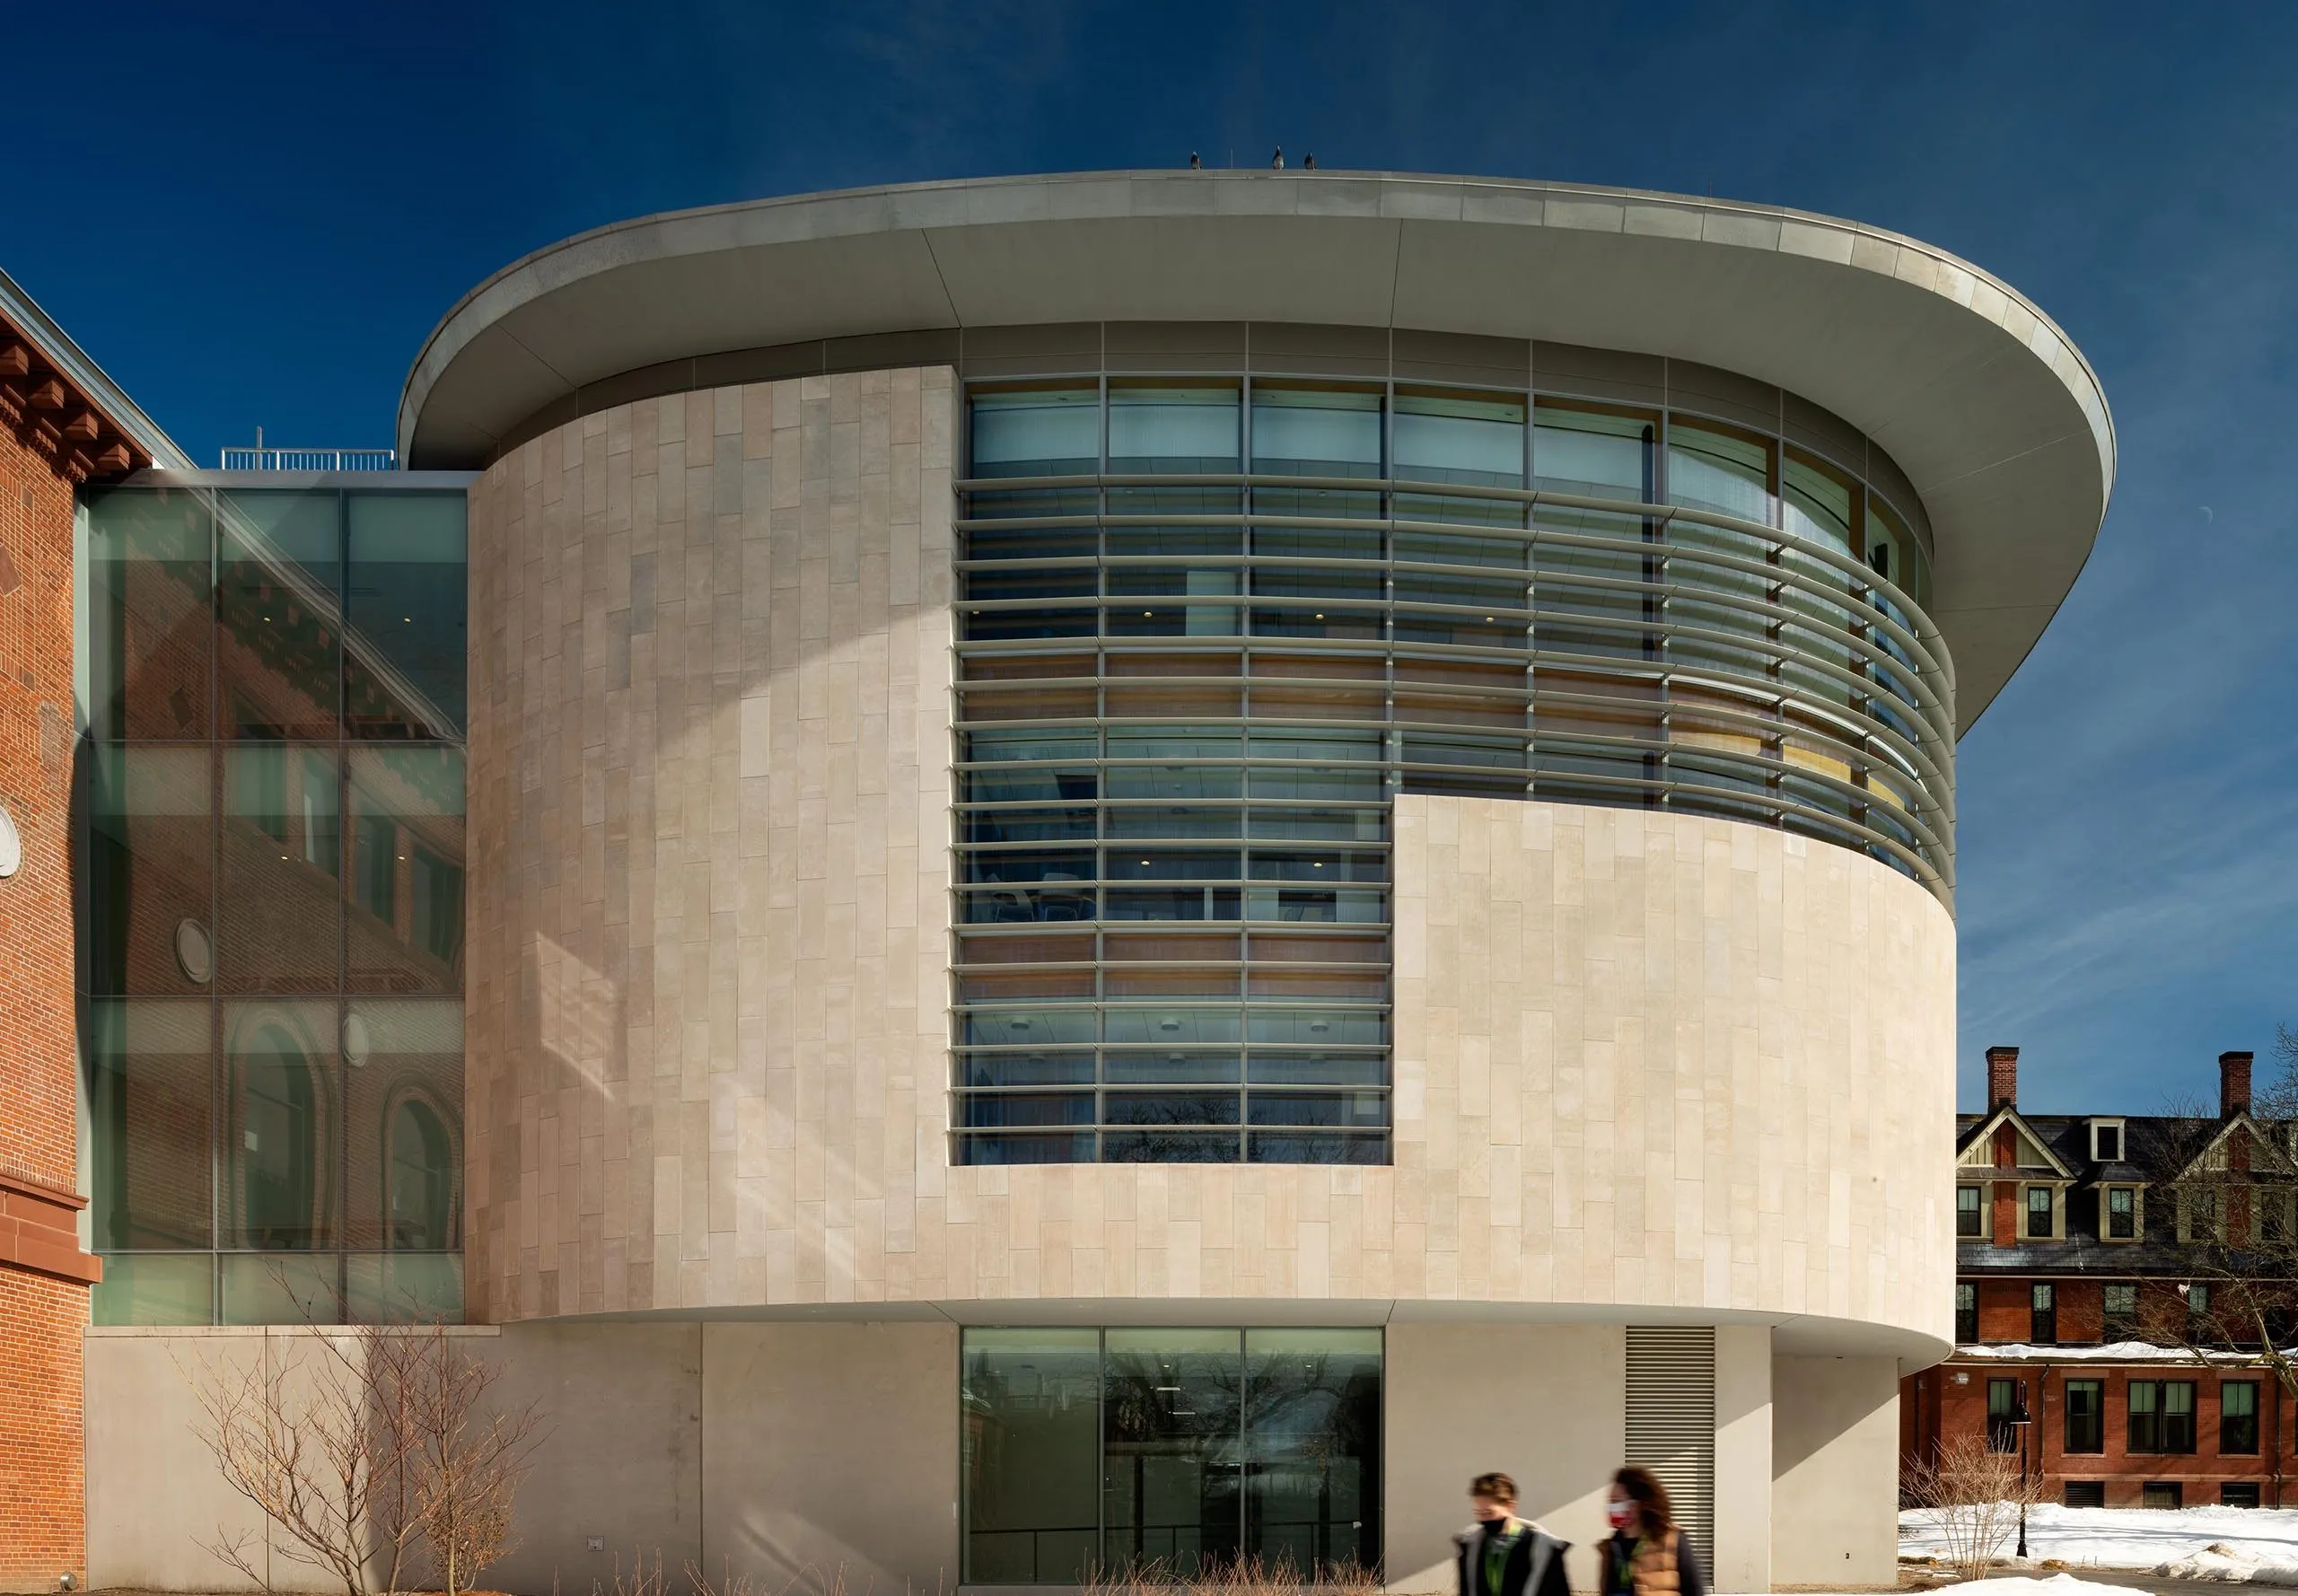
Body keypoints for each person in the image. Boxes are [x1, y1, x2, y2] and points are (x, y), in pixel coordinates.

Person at [1454, 1472, 1570, 1596]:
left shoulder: (1545, 1550)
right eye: (1479, 1513)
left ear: (1510, 1506)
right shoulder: (1471, 1549)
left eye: (1489, 1513)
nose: (1484, 1520)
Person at [1598, 1465, 1705, 1596]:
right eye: (1610, 1501)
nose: (1611, 1507)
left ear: (1637, 1505)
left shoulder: (1673, 1541)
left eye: (1616, 1501)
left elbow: (1695, 1591)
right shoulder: (1610, 1549)